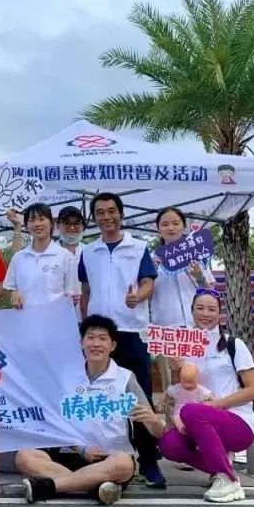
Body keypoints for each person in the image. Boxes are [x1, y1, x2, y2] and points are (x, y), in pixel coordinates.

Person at [16, 315, 164, 504]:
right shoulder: (67, 376)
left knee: (124, 464)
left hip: (110, 458)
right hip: (71, 454)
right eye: (91, 338)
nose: (96, 344)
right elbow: (55, 423)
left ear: (113, 345)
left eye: (102, 339)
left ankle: (50, 487)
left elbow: (156, 431)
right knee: (25, 456)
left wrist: (153, 420)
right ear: (81, 343)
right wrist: (82, 449)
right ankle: (95, 486)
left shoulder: (125, 378)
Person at [78, 191, 165, 488]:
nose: (106, 217)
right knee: (95, 396)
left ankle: (149, 461)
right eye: (100, 212)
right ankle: (98, 455)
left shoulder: (138, 247)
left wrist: (137, 297)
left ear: (121, 214)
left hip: (131, 331)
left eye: (111, 211)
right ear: (94, 218)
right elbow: (86, 290)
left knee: (138, 398)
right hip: (99, 336)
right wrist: (85, 325)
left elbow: (148, 283)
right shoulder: (88, 251)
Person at [159, 289, 254, 504]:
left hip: (236, 420)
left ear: (219, 315)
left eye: (212, 309)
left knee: (191, 412)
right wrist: (175, 370)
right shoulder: (184, 346)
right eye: (200, 308)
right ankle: (220, 466)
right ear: (191, 311)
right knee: (169, 444)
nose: (205, 314)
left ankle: (227, 479)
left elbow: (253, 390)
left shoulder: (233, 345)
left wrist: (217, 405)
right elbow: (181, 389)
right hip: (196, 419)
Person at [149, 207, 216, 396]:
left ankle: (200, 414)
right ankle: (174, 416)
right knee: (171, 383)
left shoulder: (198, 257)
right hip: (165, 328)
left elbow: (212, 293)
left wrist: (199, 276)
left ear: (184, 227)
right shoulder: (151, 260)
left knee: (199, 378)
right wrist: (151, 273)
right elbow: (144, 293)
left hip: (195, 326)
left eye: (175, 223)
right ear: (158, 228)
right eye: (165, 224)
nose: (171, 228)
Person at [3, 204, 80, 310]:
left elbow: (73, 296)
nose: (37, 224)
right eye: (32, 220)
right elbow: (8, 287)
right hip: (24, 318)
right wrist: (13, 294)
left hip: (54, 317)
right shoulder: (18, 258)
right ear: (26, 225)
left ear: (51, 223)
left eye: (41, 219)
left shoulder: (65, 256)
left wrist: (70, 301)